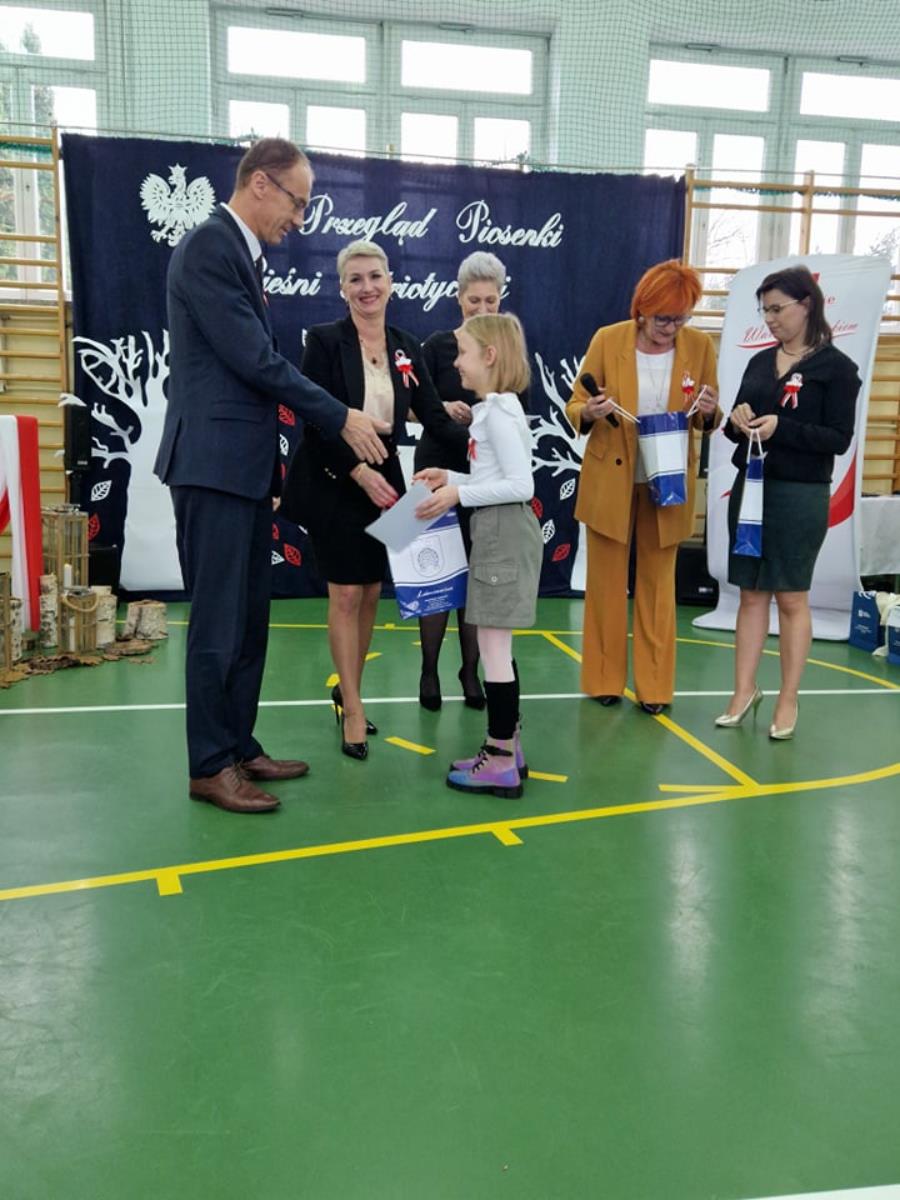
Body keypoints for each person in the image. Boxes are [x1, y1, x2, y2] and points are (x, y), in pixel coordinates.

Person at [154, 139, 389, 814]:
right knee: (218, 623)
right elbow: (255, 361)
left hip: (244, 468)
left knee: (249, 618)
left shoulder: (238, 253)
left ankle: (237, 745)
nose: (299, 219)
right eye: (298, 202)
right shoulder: (210, 248)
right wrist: (339, 415)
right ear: (261, 183)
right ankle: (209, 765)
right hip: (213, 465)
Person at [281, 239, 466, 761]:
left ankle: (349, 691)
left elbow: (433, 415)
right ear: (342, 288)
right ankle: (355, 711)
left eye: (375, 276)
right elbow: (313, 418)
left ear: (390, 282)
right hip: (333, 473)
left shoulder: (407, 345)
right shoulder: (323, 340)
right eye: (356, 279)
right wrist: (356, 470)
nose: (367, 287)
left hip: (386, 477)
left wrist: (485, 449)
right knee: (344, 593)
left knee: (369, 593)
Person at [565, 260, 720, 714]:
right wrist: (590, 411)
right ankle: (603, 680)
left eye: (680, 319)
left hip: (667, 480)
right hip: (611, 477)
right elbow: (575, 405)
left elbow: (709, 417)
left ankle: (654, 688)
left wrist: (709, 410)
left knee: (657, 587)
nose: (670, 329)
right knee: (605, 584)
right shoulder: (607, 339)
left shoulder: (700, 346)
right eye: (662, 319)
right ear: (641, 310)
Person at [716, 265, 861, 739]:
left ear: (807, 304)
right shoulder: (760, 362)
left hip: (800, 494)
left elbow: (838, 438)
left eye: (777, 309)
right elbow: (733, 427)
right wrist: (737, 420)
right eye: (765, 311)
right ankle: (743, 691)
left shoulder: (837, 369)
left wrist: (783, 428)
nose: (770, 319)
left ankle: (787, 698)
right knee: (750, 593)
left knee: (792, 596)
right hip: (751, 488)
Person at [414, 313, 542, 800]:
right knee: (496, 647)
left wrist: (457, 495)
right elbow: (496, 478)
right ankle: (509, 747)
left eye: (463, 353)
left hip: (501, 532)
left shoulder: (500, 412)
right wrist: (450, 478)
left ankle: (500, 756)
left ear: (490, 356)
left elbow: (521, 485)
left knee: (493, 650)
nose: (456, 363)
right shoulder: (492, 410)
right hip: (495, 529)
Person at [414, 251, 528, 713]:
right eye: (473, 301)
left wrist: (460, 485)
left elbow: (518, 472)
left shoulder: (500, 401)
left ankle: (472, 671)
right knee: (433, 576)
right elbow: (411, 404)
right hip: (445, 468)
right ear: (459, 299)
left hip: (480, 482)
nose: (481, 309)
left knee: (478, 585)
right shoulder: (435, 346)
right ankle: (429, 670)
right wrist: (439, 410)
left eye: (490, 301)